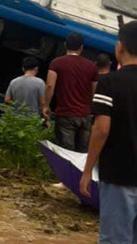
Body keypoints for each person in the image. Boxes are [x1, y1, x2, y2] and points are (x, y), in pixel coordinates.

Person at [80, 21, 137, 244]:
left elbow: (101, 129)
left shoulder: (110, 82)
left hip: (119, 174)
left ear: (120, 47)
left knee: (114, 239)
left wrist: (87, 171)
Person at [44, 32, 99, 152]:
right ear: (81, 48)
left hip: (65, 114)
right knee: (82, 153)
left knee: (66, 152)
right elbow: (95, 91)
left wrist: (46, 105)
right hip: (85, 115)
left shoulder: (56, 63)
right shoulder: (92, 67)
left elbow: (49, 85)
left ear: (65, 45)